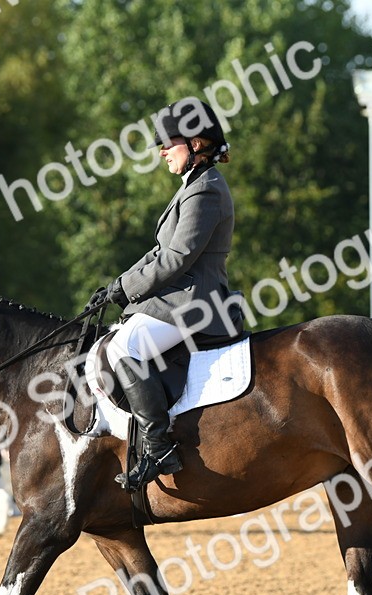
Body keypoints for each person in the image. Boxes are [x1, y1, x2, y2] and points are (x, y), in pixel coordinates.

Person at [88, 97, 239, 492]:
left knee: (125, 347)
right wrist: (117, 285)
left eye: (169, 143)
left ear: (195, 144)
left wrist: (128, 289)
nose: (161, 151)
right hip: (181, 298)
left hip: (198, 302)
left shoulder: (206, 189)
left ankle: (159, 447)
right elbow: (157, 252)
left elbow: (177, 258)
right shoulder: (192, 186)